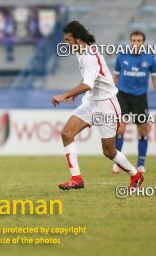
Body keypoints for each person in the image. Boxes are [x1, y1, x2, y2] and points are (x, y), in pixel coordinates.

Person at [52, 21, 144, 190]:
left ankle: (136, 175)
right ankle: (76, 179)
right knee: (66, 133)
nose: (66, 44)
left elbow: (88, 84)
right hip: (91, 102)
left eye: (68, 40)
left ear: (78, 39)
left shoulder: (89, 56)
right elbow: (89, 79)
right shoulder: (82, 52)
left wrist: (65, 94)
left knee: (109, 151)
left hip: (106, 105)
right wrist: (76, 94)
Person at [112, 31, 156, 174]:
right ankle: (118, 163)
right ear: (130, 41)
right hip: (122, 96)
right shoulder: (122, 56)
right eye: (134, 40)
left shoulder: (149, 58)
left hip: (140, 98)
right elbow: (116, 78)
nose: (136, 43)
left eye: (139, 41)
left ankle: (140, 164)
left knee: (142, 131)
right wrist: (111, 95)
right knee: (120, 129)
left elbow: (155, 79)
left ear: (143, 42)